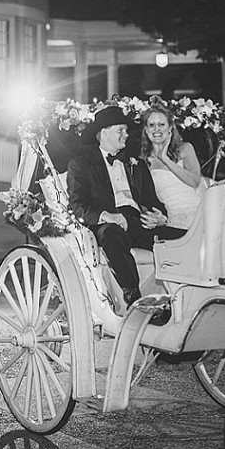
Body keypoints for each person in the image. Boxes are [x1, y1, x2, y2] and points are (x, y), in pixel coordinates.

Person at [67, 106, 186, 310]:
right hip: (109, 225)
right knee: (112, 235)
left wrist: (160, 217)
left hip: (139, 224)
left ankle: (184, 299)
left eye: (126, 130)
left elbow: (153, 201)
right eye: (120, 130)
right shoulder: (81, 165)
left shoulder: (136, 164)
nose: (126, 134)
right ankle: (134, 297)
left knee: (183, 238)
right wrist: (107, 216)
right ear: (103, 133)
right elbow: (77, 205)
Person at [140, 104, 206, 230]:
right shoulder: (142, 161)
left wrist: (165, 159)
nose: (156, 129)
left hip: (195, 212)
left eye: (161, 124)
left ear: (170, 128)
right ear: (146, 130)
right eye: (152, 125)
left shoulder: (185, 148)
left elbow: (195, 181)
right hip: (168, 218)